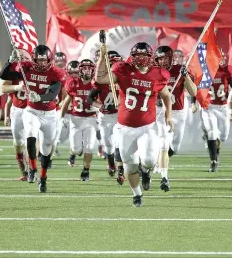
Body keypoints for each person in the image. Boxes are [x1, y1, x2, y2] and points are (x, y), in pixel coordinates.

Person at [95, 42, 173, 207]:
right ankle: (137, 194)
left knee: (150, 161)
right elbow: (100, 79)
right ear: (133, 56)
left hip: (147, 127)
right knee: (130, 167)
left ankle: (146, 171)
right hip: (125, 128)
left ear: (150, 57)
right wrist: (102, 57)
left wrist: (169, 116)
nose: (141, 58)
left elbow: (166, 95)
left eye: (144, 55)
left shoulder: (158, 74)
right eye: (138, 55)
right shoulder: (123, 70)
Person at [0, 45, 64, 193]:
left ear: (49, 60)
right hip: (31, 111)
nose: (42, 63)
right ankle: (33, 169)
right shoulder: (26, 67)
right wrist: (10, 62)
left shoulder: (56, 72)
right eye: (39, 60)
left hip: (49, 114)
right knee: (30, 134)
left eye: (45, 60)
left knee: (47, 149)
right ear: (34, 59)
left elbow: (53, 93)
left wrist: (41, 97)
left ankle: (43, 178)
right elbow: (4, 76)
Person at [153, 46, 197, 191]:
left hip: (179, 112)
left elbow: (193, 91)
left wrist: (186, 77)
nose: (163, 61)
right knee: (163, 144)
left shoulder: (179, 70)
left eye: (165, 58)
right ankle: (164, 177)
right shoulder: (153, 71)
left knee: (175, 147)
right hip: (161, 112)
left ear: (171, 58)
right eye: (160, 58)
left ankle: (160, 161)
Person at [87, 51, 122, 181]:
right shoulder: (101, 81)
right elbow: (90, 98)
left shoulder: (124, 79)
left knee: (120, 143)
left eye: (116, 63)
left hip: (120, 116)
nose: (114, 66)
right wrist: (100, 106)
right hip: (105, 116)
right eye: (112, 63)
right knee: (108, 145)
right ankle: (111, 164)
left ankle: (121, 171)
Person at [60, 59, 97, 181]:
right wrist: (60, 117)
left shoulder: (96, 84)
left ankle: (86, 170)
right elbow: (66, 103)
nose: (87, 71)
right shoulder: (73, 83)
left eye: (89, 69)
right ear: (80, 70)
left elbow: (101, 102)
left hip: (91, 120)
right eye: (84, 68)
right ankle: (73, 154)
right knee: (76, 150)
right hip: (76, 119)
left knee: (89, 148)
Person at [201, 49, 232, 172]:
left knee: (224, 136)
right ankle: (213, 161)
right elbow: (197, 88)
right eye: (218, 57)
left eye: (222, 57)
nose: (221, 60)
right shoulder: (206, 72)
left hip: (223, 107)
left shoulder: (227, 71)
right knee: (212, 133)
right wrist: (194, 102)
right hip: (209, 107)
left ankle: (214, 148)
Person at [2, 49, 31, 180]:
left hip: (33, 110)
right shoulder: (14, 70)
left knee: (31, 140)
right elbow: (3, 88)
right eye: (19, 56)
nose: (22, 58)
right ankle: (24, 171)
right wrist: (16, 88)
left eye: (24, 56)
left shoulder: (35, 69)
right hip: (17, 110)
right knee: (18, 142)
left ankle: (33, 169)